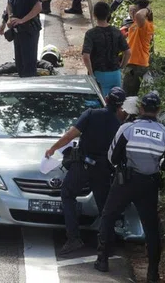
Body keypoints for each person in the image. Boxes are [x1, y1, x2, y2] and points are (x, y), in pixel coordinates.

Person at [95, 91, 165, 282]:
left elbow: (112, 157)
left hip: (125, 181)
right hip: (149, 184)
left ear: (140, 108)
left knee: (108, 217)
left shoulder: (127, 129)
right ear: (158, 110)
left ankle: (102, 260)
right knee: (150, 228)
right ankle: (152, 274)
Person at [45, 86, 127, 255]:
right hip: (103, 168)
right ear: (120, 105)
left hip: (82, 164)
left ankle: (73, 238)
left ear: (106, 98)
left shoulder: (91, 114)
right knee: (104, 206)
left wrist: (53, 149)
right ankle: (106, 246)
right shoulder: (119, 125)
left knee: (67, 194)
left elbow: (70, 136)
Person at [0, 0, 42, 78]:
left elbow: (38, 7)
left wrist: (22, 20)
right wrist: (5, 21)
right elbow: (9, 5)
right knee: (19, 63)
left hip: (29, 30)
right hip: (17, 31)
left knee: (29, 64)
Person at [83, 1, 130, 94]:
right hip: (115, 73)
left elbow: (86, 56)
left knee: (102, 103)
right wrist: (121, 67)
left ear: (94, 15)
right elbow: (128, 52)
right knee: (116, 101)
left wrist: (91, 73)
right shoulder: (116, 32)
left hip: (99, 73)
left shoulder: (91, 34)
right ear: (108, 14)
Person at [123, 0, 155, 96]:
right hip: (133, 63)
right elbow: (133, 11)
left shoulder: (146, 26)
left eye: (136, 10)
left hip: (137, 65)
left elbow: (138, 15)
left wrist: (147, 9)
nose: (133, 12)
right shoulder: (136, 24)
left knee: (128, 94)